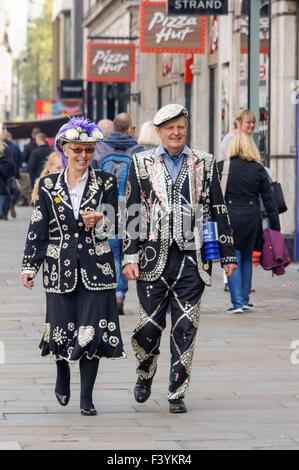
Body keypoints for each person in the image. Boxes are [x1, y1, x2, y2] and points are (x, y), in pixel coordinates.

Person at [122, 104, 237, 413]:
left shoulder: (205, 162)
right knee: (149, 326)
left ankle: (177, 391)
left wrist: (227, 253)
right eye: (169, 128)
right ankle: (145, 372)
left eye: (180, 127)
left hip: (193, 259)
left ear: (186, 130)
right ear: (158, 132)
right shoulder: (140, 162)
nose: (176, 133)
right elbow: (131, 210)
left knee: (185, 325)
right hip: (151, 259)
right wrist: (129, 256)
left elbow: (218, 209)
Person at [21, 116, 125, 416]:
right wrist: (30, 265)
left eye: (89, 151)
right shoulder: (49, 185)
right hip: (58, 267)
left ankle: (87, 397)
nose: (83, 156)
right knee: (61, 330)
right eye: (77, 150)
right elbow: (38, 228)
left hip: (97, 268)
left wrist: (101, 220)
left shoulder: (106, 181)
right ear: (65, 149)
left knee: (91, 330)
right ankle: (62, 372)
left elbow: (119, 222)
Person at [218, 132, 280, 314]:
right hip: (252, 219)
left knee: (233, 257)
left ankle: (237, 303)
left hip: (230, 219)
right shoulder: (259, 169)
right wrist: (275, 227)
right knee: (246, 257)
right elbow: (269, 201)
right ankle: (244, 299)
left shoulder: (222, 167)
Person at [91, 113, 144, 316]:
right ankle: (122, 291)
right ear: (130, 129)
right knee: (128, 251)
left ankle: (116, 293)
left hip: (107, 206)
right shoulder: (138, 151)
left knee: (112, 251)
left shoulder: (101, 149)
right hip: (131, 207)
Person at [219, 109, 256, 292]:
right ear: (238, 123)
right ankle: (231, 282)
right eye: (248, 122)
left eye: (253, 123)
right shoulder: (229, 139)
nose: (251, 126)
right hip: (232, 198)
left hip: (245, 200)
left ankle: (240, 289)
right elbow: (223, 166)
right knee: (234, 248)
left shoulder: (249, 140)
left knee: (243, 251)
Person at [0, 139, 15, 219]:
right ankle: (4, 213)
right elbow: (12, 163)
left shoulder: (6, 147)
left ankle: (3, 213)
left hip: (4, 177)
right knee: (4, 195)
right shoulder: (7, 147)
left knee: (4, 195)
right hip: (4, 177)